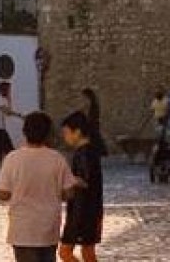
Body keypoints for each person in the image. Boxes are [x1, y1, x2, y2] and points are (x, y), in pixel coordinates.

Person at [0, 111, 80, 262]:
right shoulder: (57, 159)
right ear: (48, 134)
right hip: (48, 228)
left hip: (22, 228)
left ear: (24, 132)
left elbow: (3, 193)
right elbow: (69, 193)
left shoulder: (12, 159)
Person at [58, 112, 104, 262]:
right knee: (87, 252)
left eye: (66, 133)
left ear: (77, 132)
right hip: (89, 209)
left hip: (82, 211)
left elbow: (85, 181)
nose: (65, 137)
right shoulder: (89, 151)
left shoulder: (84, 153)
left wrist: (65, 178)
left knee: (66, 252)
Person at [0, 80, 22, 186]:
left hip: (0, 129)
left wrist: (9, 99)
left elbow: (8, 111)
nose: (9, 91)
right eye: (8, 89)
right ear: (3, 89)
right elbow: (7, 111)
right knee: (2, 154)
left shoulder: (2, 99)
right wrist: (20, 115)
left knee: (4, 153)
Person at [78, 88, 108, 158]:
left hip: (93, 126)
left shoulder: (94, 106)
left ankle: (101, 153)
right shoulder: (91, 106)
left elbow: (93, 118)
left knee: (95, 140)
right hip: (92, 127)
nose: (83, 99)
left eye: (84, 97)